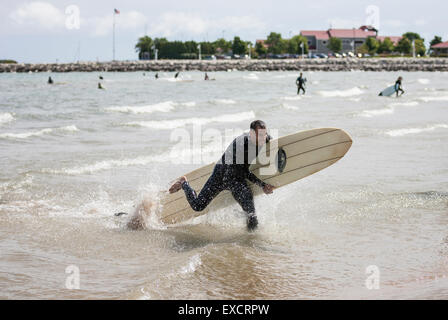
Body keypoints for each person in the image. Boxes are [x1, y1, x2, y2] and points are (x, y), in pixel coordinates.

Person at [169, 120, 275, 231]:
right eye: (260, 135)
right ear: (252, 133)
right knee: (198, 206)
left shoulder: (264, 138)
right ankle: (183, 183)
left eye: (265, 134)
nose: (264, 138)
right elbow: (244, 172)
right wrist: (262, 185)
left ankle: (248, 243)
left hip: (236, 180)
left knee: (252, 217)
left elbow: (271, 141)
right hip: (222, 175)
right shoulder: (240, 145)